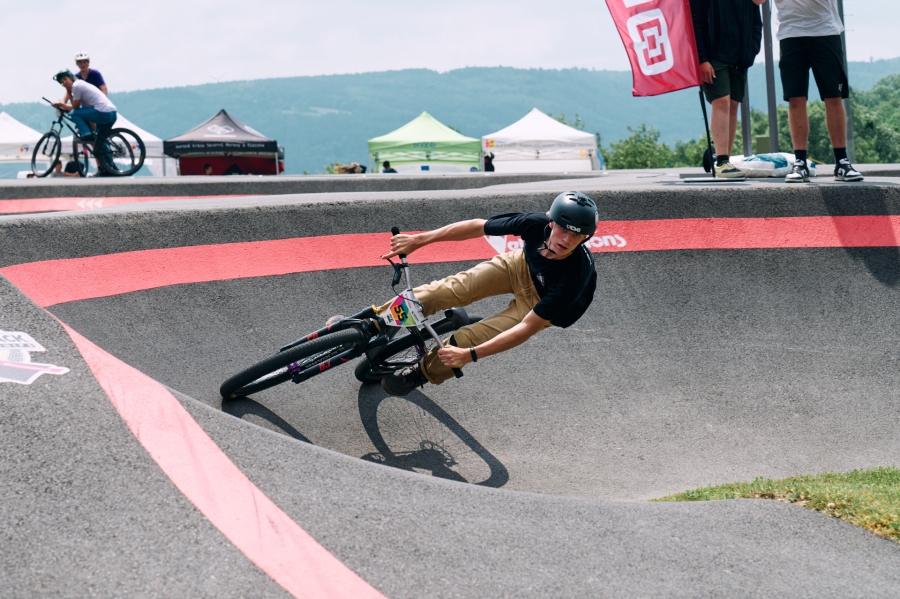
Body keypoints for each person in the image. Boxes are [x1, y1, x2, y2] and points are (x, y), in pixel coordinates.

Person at [375, 191, 599, 395]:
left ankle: (420, 373)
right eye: (563, 229)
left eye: (577, 235)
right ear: (551, 222)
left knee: (465, 341)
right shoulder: (534, 224)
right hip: (521, 265)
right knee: (450, 289)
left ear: (585, 238)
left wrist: (470, 355)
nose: (567, 239)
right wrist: (418, 240)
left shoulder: (575, 277)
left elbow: (525, 328)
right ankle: (376, 321)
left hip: (540, 303)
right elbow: (477, 227)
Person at [773, 0, 863, 183]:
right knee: (795, 98)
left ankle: (842, 162)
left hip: (825, 30)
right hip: (790, 33)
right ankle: (800, 163)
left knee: (834, 96)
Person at [690, 0, 766, 178]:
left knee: (733, 106)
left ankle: (724, 159)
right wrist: (702, 59)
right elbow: (695, 22)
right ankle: (722, 161)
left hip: (740, 57)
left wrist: (751, 49)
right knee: (721, 102)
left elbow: (756, 17)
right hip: (713, 56)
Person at [51, 70, 117, 142]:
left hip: (103, 113)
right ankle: (104, 149)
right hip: (112, 113)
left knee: (74, 113)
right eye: (62, 82)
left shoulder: (76, 85)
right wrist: (68, 93)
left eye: (65, 79)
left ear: (71, 77)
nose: (64, 83)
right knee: (100, 141)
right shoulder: (80, 84)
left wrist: (61, 104)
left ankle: (86, 134)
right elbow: (75, 106)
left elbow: (75, 107)